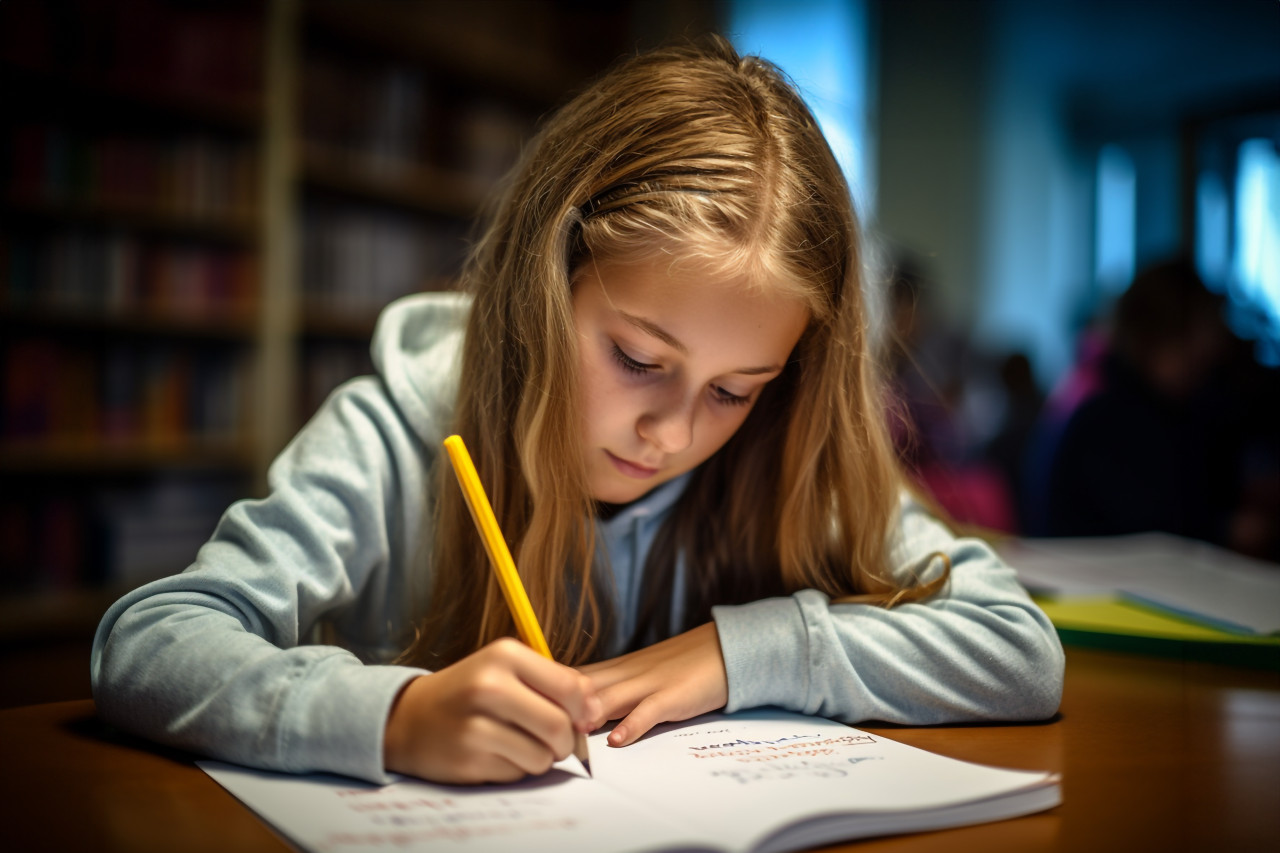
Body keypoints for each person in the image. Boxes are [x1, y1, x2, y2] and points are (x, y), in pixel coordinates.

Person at [91, 37, 1064, 787]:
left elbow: (1018, 652)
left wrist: (739, 652)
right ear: (542, 283)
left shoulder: (785, 455)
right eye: (637, 359)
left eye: (733, 389)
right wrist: (392, 717)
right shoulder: (396, 431)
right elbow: (151, 641)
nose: (672, 433)